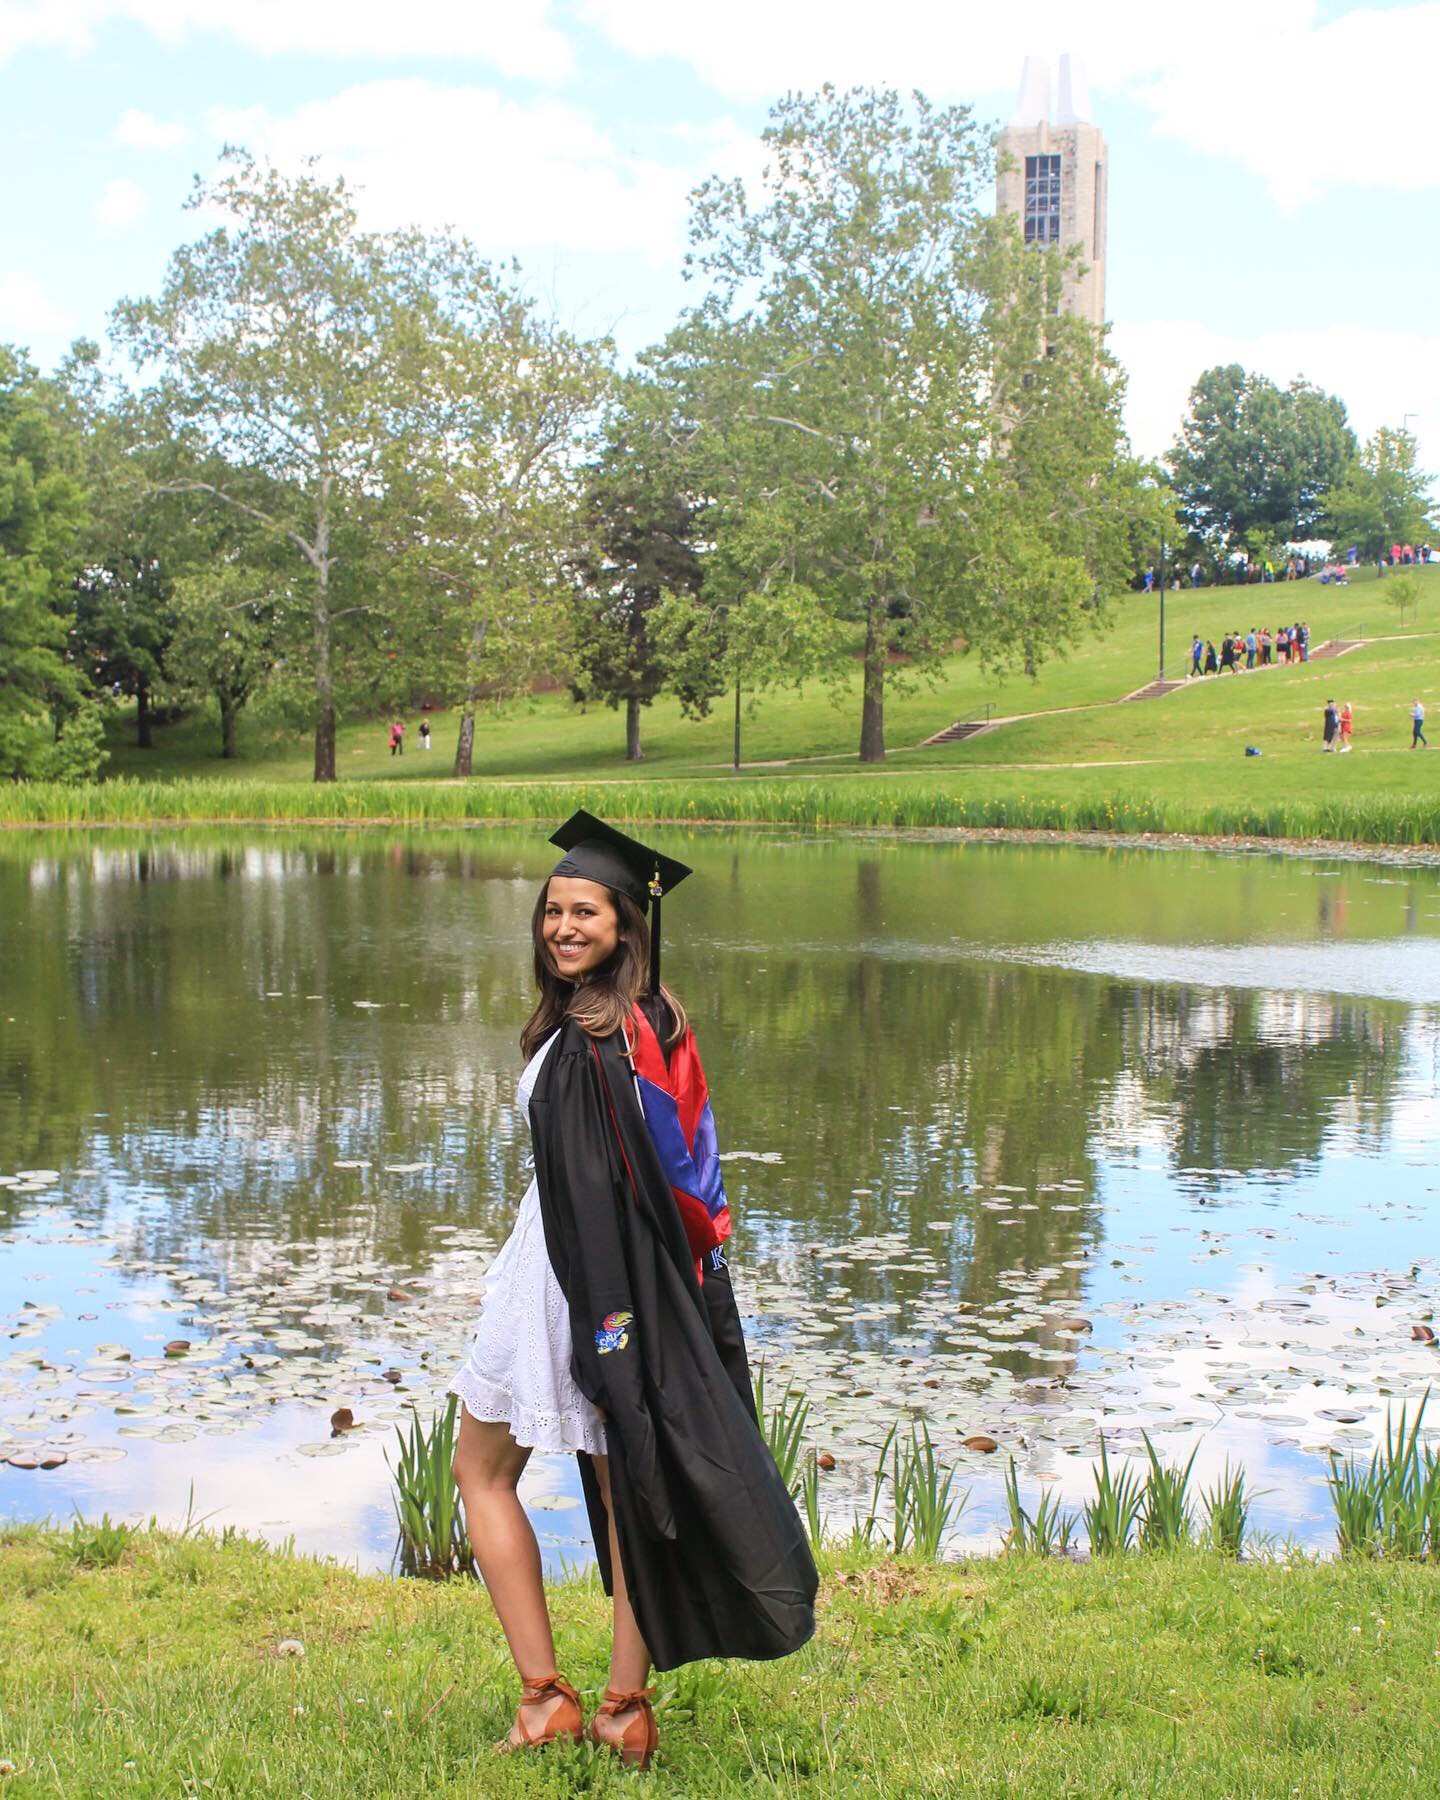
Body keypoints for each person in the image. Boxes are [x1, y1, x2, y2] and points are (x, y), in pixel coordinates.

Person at [449, 812, 816, 1767]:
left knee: (482, 1471)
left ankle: (547, 1699)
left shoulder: (584, 1043)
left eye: (586, 913)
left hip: (575, 1283)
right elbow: (681, 1183)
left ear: (625, 927)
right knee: (630, 1488)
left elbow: (591, 1200)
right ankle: (622, 1706)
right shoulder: (655, 1022)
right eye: (553, 911)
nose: (563, 928)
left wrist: (608, 1337)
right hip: (641, 1285)